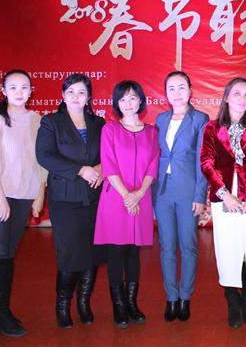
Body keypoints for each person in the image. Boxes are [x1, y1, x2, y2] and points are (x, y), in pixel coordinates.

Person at [0, 69, 47, 337]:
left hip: (24, 193)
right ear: (3, 91)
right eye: (13, 87)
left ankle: (2, 313)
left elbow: (40, 159)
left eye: (24, 87)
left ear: (31, 90)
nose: (19, 92)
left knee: (8, 251)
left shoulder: (36, 119)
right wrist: (0, 196)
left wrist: (39, 193)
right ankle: (1, 314)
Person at [200, 77, 246, 329]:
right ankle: (232, 301)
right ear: (226, 97)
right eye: (237, 93)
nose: (243, 98)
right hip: (224, 198)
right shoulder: (212, 128)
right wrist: (224, 194)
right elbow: (206, 163)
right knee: (228, 249)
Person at [35, 73, 105, 329]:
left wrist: (100, 167)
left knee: (92, 252)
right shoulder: (51, 122)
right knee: (70, 253)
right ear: (63, 95)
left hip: (94, 197)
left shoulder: (98, 122)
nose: (76, 97)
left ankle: (84, 303)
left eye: (82, 92)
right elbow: (44, 155)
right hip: (65, 198)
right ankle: (62, 305)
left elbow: (109, 153)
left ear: (89, 97)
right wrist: (80, 170)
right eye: (71, 92)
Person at [94, 80, 159, 328]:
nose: (128, 103)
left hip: (141, 198)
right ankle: (118, 306)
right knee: (116, 253)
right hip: (115, 198)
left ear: (141, 100)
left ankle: (132, 303)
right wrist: (126, 195)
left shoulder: (152, 132)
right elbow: (109, 165)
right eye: (123, 99)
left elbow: (153, 166)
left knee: (133, 253)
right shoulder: (110, 130)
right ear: (116, 103)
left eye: (133, 98)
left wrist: (139, 194)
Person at [154, 72, 209, 322]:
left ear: (190, 91)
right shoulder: (161, 119)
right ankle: (171, 297)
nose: (176, 93)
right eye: (171, 88)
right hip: (163, 192)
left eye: (181, 87)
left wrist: (200, 195)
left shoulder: (199, 119)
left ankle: (185, 296)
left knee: (188, 246)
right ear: (165, 93)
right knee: (166, 247)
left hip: (188, 192)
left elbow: (203, 160)